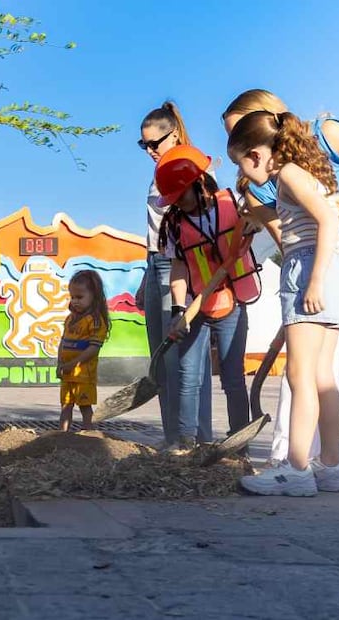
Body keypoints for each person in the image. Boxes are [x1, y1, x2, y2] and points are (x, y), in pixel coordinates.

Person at [223, 89, 339, 485]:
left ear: (267, 119)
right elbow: (287, 240)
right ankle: (301, 456)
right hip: (325, 264)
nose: (239, 146)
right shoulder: (261, 183)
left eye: (241, 133)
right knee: (319, 369)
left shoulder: (325, 134)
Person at [228, 111, 339, 496]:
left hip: (311, 267)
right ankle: (331, 466)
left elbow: (328, 222)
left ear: (254, 155)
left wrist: (313, 281)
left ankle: (297, 470)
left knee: (299, 376)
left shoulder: (287, 175)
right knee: (321, 378)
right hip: (332, 268)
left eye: (241, 166)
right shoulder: (299, 173)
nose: (246, 177)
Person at [155, 145, 260, 450]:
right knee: (188, 375)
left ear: (198, 183)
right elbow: (179, 268)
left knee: (233, 377)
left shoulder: (234, 204)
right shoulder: (176, 224)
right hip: (196, 306)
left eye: (181, 197)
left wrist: (256, 219)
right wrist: (178, 310)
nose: (179, 205)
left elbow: (267, 214)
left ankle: (239, 444)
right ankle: (186, 443)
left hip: (233, 303)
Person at [135, 102, 214, 447]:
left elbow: (204, 226)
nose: (151, 151)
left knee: (186, 359)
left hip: (181, 267)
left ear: (176, 135)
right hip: (156, 264)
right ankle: (175, 440)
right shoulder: (157, 175)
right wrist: (144, 276)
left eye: (156, 143)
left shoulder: (193, 167)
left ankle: (198, 437)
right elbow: (155, 234)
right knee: (162, 359)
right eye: (144, 145)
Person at [57, 270, 111, 432]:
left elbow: (93, 348)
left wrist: (74, 363)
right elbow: (63, 341)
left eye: (80, 297)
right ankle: (62, 435)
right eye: (72, 297)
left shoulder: (95, 321)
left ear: (94, 296)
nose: (75, 301)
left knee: (85, 407)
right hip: (67, 373)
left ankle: (89, 436)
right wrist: (60, 363)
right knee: (66, 406)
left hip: (84, 375)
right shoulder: (70, 319)